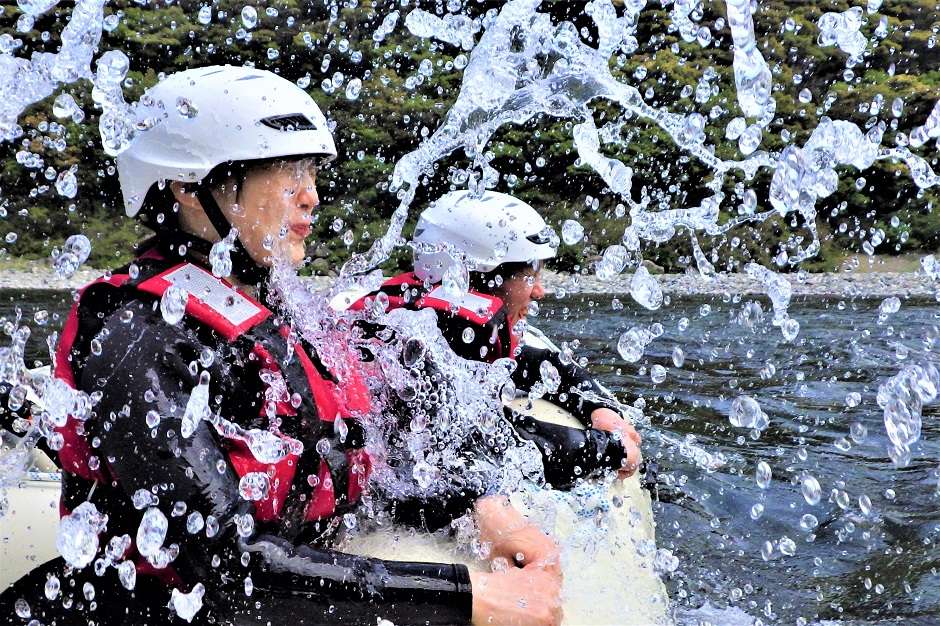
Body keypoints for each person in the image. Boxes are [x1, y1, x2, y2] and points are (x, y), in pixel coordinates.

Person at [0, 66, 562, 626]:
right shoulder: (140, 336)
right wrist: (467, 597)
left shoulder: (275, 311)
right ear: (191, 189)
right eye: (288, 173)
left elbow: (350, 465)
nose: (312, 196)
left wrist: (477, 509)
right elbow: (225, 565)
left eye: (312, 172)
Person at [353, 190, 642, 486]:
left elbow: (537, 364)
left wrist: (601, 410)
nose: (539, 292)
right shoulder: (436, 340)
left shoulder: (443, 322)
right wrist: (611, 449)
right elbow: (498, 445)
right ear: (483, 275)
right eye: (530, 276)